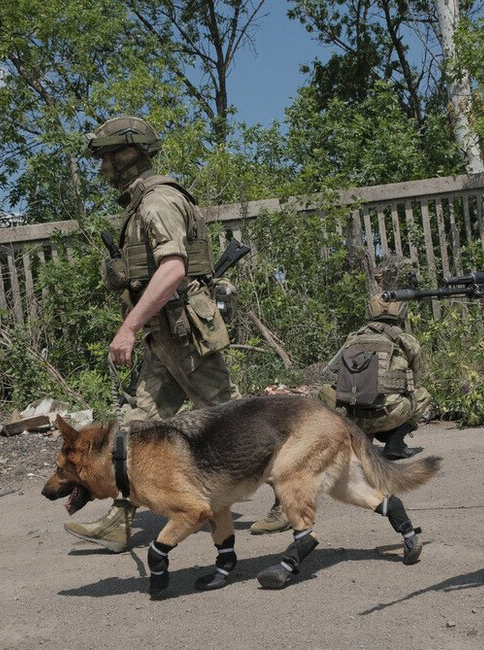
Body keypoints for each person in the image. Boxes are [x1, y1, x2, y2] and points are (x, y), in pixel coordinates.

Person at [63, 115, 241, 553]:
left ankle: (286, 495)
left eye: (106, 156)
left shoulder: (157, 203)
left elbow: (174, 268)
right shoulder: (143, 203)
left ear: (129, 154)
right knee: (134, 427)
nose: (103, 167)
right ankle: (119, 521)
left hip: (183, 335)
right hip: (164, 339)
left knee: (232, 423)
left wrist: (128, 327)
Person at [251, 280, 431, 535]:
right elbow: (415, 376)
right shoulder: (406, 341)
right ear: (400, 312)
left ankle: (288, 505)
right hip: (389, 415)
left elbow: (334, 374)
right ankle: (395, 441)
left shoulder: (353, 338)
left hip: (354, 419)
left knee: (327, 398)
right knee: (422, 394)